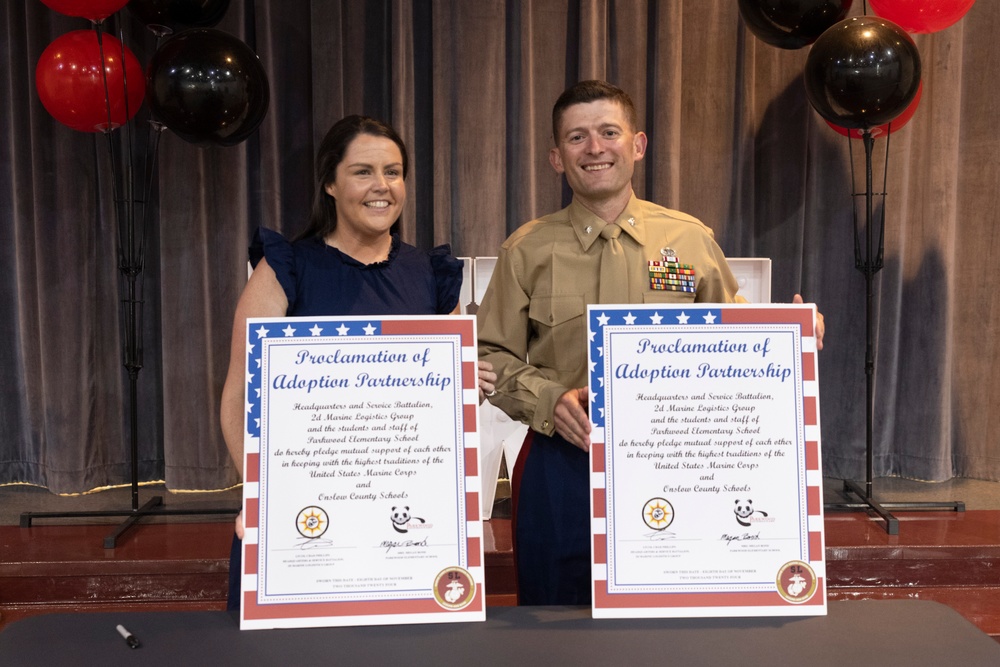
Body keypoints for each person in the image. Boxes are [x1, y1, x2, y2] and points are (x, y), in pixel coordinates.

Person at [477, 80, 825, 605]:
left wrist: (793, 336)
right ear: (555, 157)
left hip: (677, 461)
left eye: (608, 132)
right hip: (562, 461)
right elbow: (487, 356)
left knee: (666, 618)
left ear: (637, 145)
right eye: (577, 137)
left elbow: (735, 341)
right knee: (551, 623)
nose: (595, 148)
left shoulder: (688, 240)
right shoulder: (527, 249)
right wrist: (550, 400)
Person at [219, 114, 496, 610]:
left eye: (393, 171)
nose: (381, 186)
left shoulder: (430, 274)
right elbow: (239, 400)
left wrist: (465, 384)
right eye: (362, 171)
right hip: (305, 516)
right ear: (330, 182)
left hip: (406, 524)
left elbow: (445, 412)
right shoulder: (285, 268)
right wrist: (263, 499)